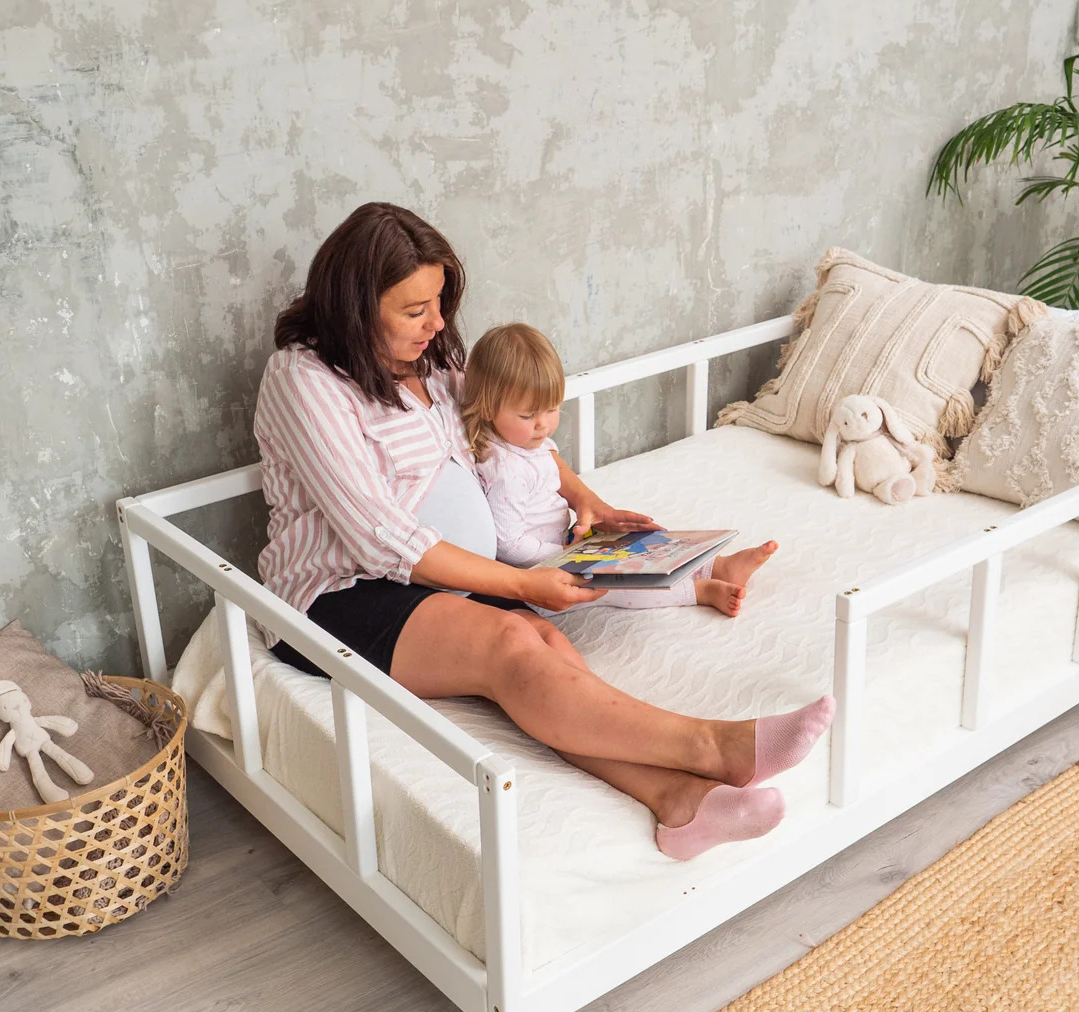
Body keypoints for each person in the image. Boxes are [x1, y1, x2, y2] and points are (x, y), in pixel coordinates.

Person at [253, 203, 833, 860]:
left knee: (543, 643)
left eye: (440, 301)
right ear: (356, 309)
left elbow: (506, 429)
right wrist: (522, 580)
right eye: (415, 310)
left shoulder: (436, 358)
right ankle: (715, 746)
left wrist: (586, 497)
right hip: (339, 595)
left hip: (458, 576)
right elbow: (379, 539)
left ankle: (682, 805)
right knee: (511, 641)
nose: (438, 323)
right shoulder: (302, 378)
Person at [461, 321, 778, 618]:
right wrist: (561, 554)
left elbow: (553, 474)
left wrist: (583, 533)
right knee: (615, 584)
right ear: (488, 407)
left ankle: (716, 565)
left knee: (639, 541)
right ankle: (697, 589)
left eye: (552, 408)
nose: (543, 424)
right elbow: (509, 544)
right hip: (538, 576)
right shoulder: (504, 470)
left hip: (568, 543)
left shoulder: (528, 441)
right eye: (529, 414)